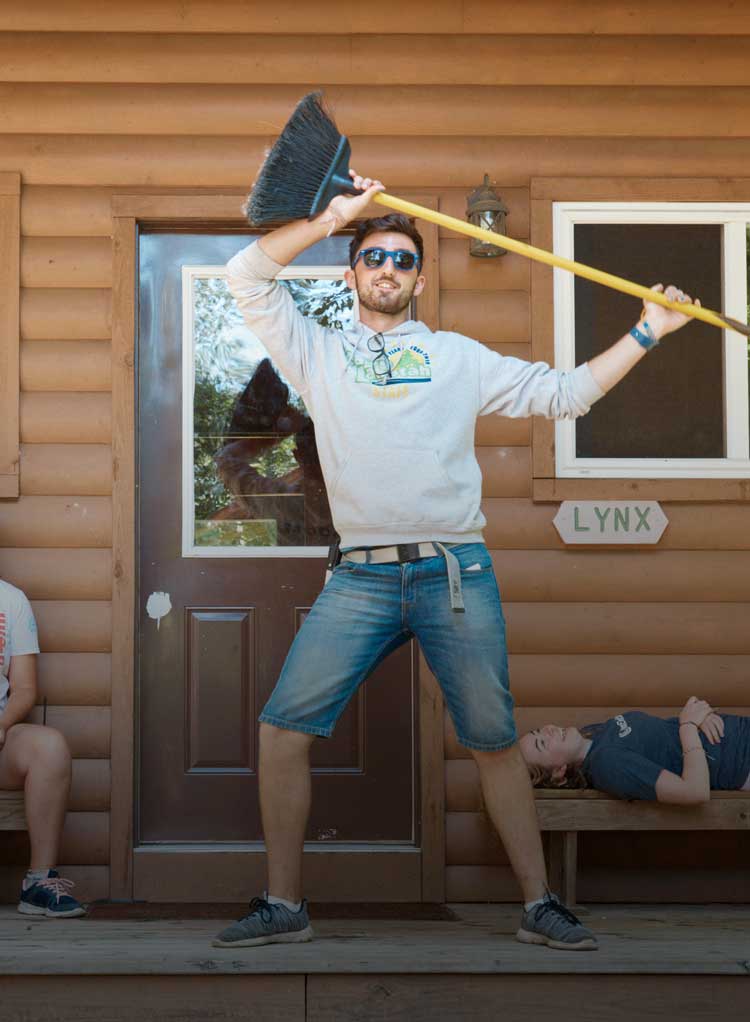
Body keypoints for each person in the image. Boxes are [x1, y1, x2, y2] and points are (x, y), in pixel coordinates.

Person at [212, 171, 697, 952]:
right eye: (375, 257)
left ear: (421, 279)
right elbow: (246, 275)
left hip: (454, 574)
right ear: (352, 274)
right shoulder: (314, 351)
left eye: (403, 260)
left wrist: (646, 332)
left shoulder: (457, 358)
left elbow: (566, 395)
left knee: (493, 738)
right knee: (283, 730)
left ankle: (539, 904)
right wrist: (335, 214)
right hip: (361, 576)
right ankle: (284, 903)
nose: (389, 270)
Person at [0, 577, 85, 918]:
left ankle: (38, 883)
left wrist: (3, 725)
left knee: (50, 747)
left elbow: (24, 689)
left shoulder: (11, 600)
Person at [520, 697, 750, 804]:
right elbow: (694, 791)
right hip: (742, 761)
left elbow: (665, 739)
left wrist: (701, 717)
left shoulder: (595, 734)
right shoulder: (607, 765)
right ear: (559, 774)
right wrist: (689, 726)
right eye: (542, 743)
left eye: (539, 730)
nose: (548, 731)